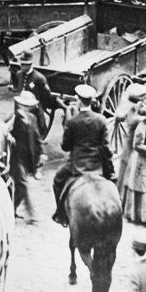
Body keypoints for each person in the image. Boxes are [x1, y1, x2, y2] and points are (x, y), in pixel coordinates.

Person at [52, 84, 113, 227]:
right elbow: (105, 147)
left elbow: (65, 147)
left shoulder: (73, 122)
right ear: (91, 101)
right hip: (97, 164)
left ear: (79, 101)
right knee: (112, 183)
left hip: (77, 164)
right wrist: (109, 166)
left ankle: (61, 214)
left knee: (58, 180)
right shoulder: (101, 119)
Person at [13, 50, 61, 137]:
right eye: (21, 64)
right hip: (20, 107)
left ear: (30, 64)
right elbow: (18, 90)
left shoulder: (39, 78)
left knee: (39, 130)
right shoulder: (19, 74)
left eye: (24, 64)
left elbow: (47, 97)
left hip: (35, 109)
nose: (21, 66)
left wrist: (41, 106)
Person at [11, 91, 43, 222]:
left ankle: (11, 209)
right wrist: (9, 137)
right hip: (15, 158)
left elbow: (37, 137)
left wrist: (42, 153)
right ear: (19, 104)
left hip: (28, 158)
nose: (27, 107)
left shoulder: (32, 118)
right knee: (23, 184)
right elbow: (0, 129)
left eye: (29, 105)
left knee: (20, 187)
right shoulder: (13, 118)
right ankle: (32, 215)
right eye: (25, 105)